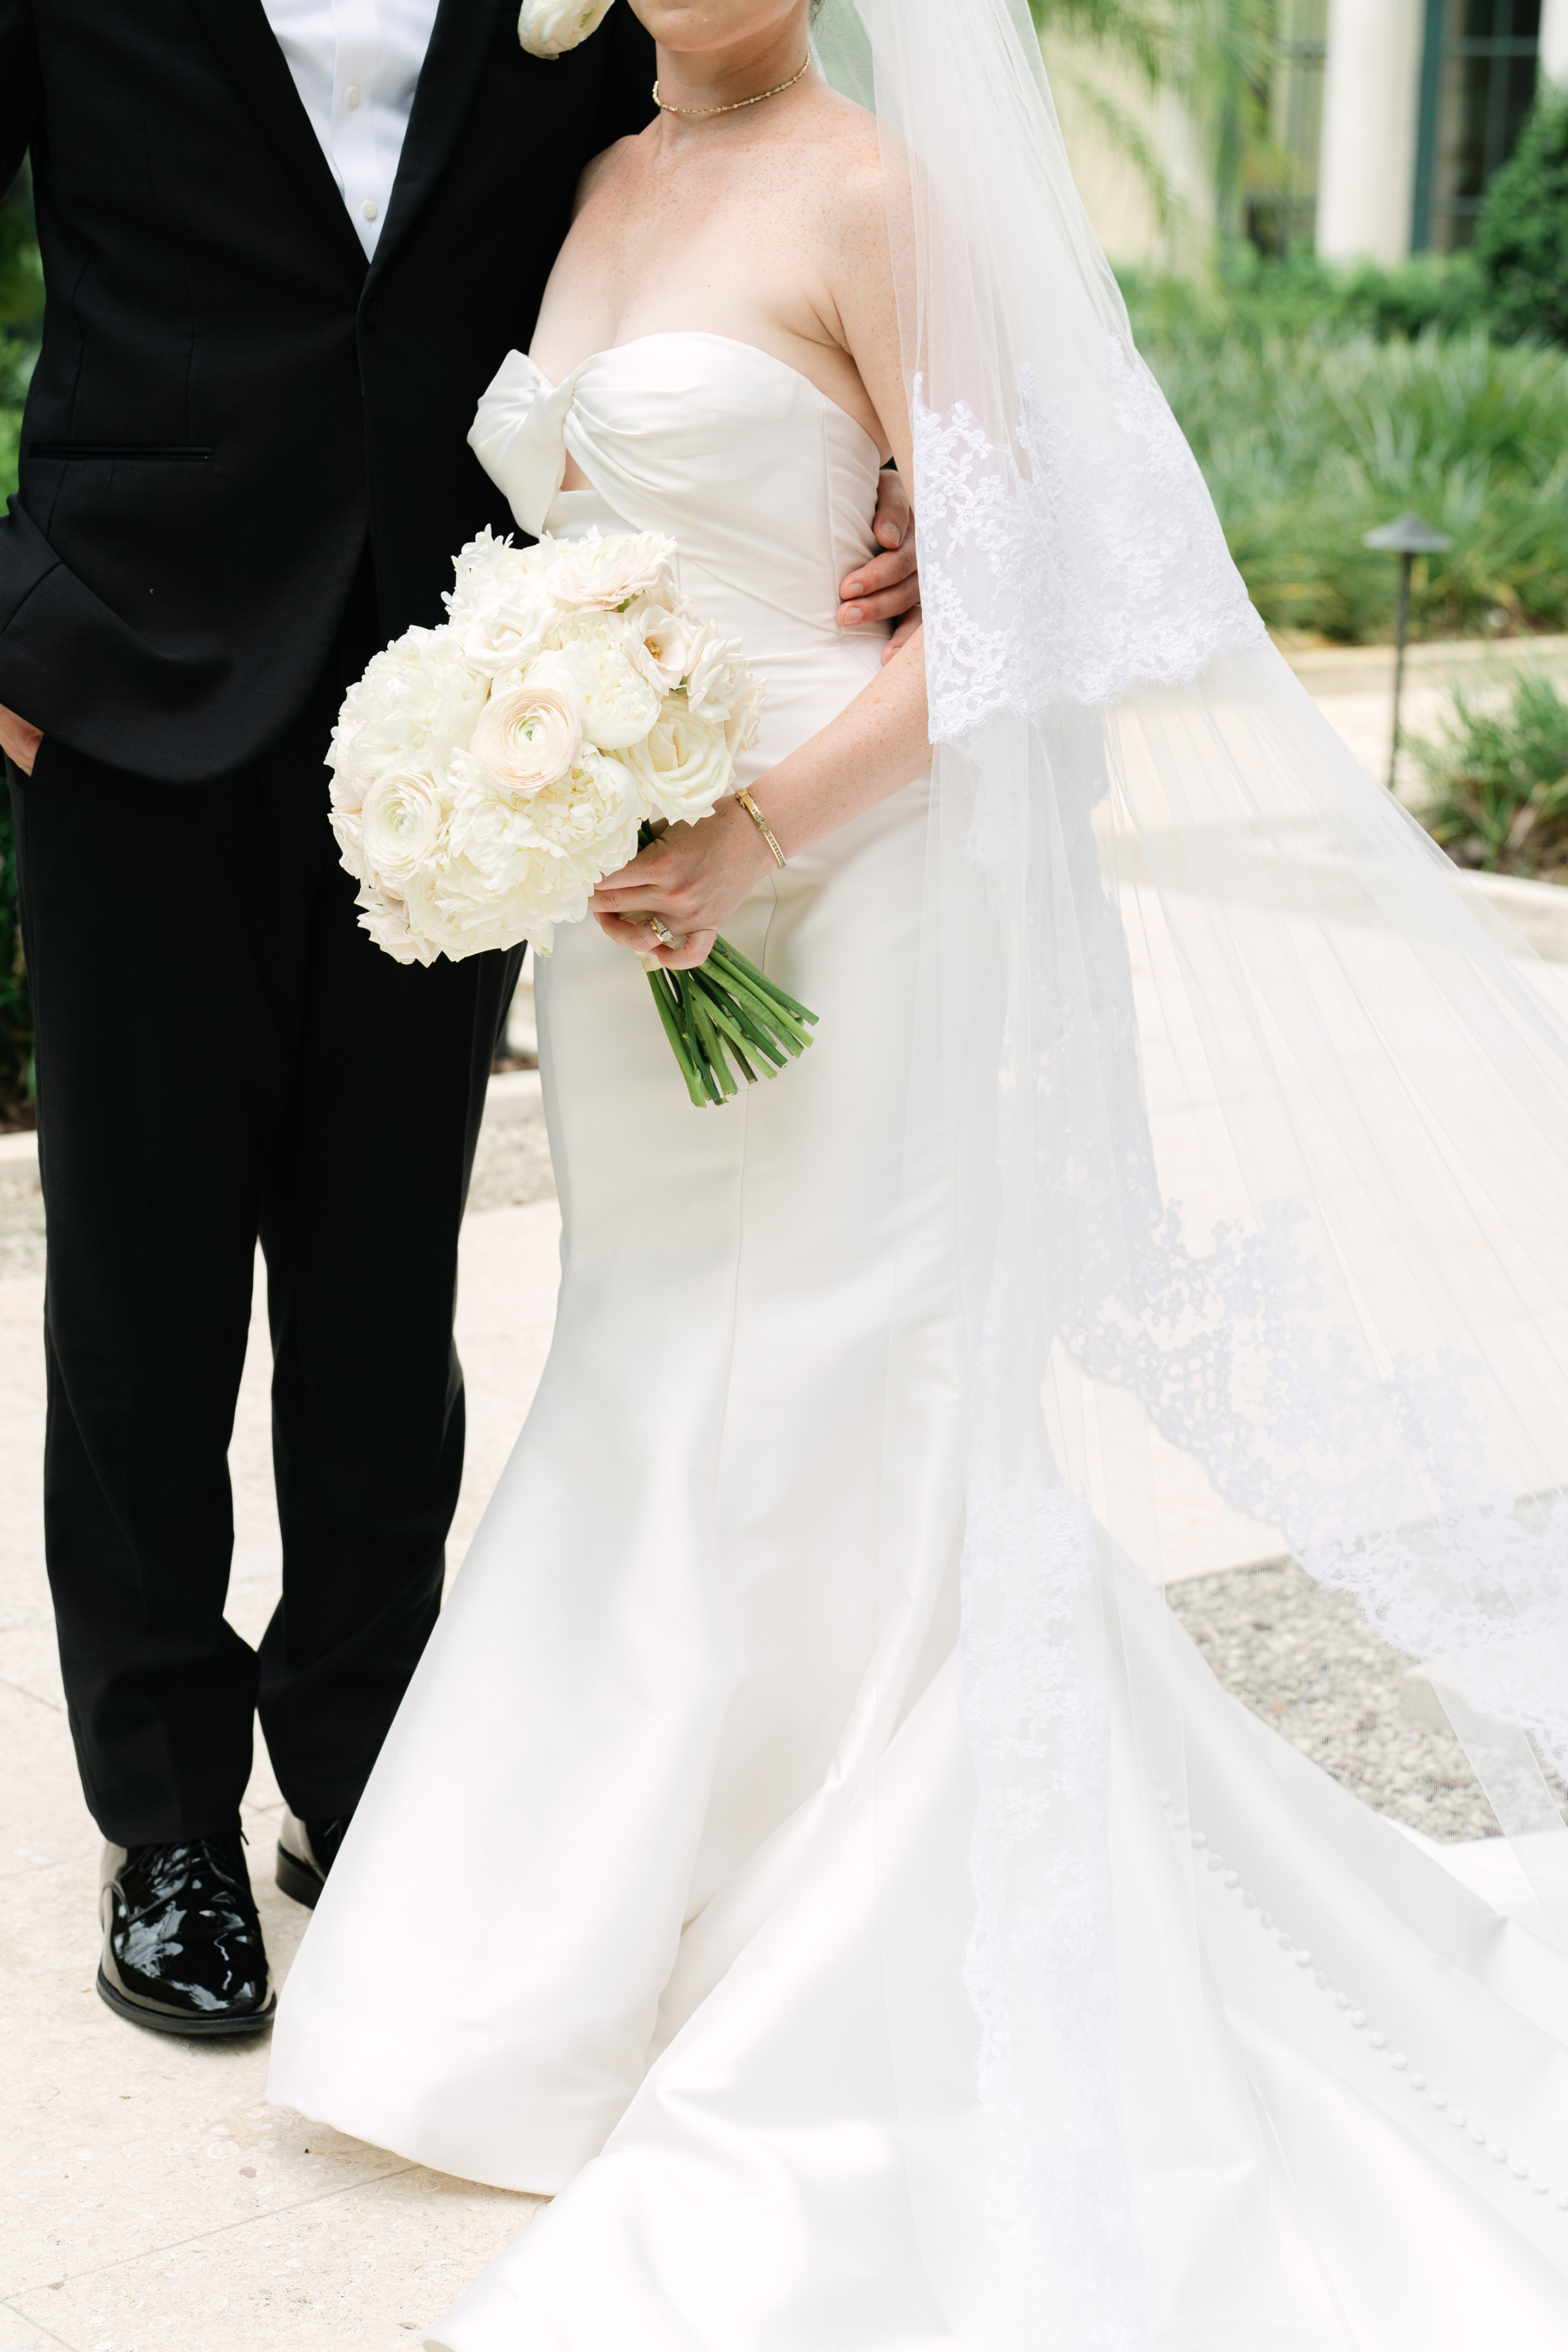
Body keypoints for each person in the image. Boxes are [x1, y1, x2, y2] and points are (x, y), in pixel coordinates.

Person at [274, 0, 1568, 2342]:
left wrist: (753, 822)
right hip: (627, 900)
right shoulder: (584, 189)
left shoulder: (881, 192)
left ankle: (847, 1947)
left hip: (844, 892)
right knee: (655, 1377)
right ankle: (598, 1937)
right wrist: (541, 776)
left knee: (853, 1395)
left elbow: (1038, 605)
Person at [0, 0, 919, 2042]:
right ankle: (165, 1821)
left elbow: (702, 211)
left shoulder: (579, 7)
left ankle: (362, 1758)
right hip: (127, 689)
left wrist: (904, 467)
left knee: (382, 1259)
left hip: (468, 716)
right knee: (142, 1285)